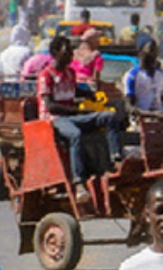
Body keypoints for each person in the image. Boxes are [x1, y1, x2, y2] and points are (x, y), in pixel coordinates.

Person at [40, 35, 125, 182]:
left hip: (72, 116)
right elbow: (50, 106)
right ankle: (78, 179)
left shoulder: (70, 73)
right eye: (66, 52)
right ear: (55, 52)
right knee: (75, 134)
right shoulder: (46, 75)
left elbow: (75, 90)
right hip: (54, 119)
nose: (71, 56)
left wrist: (91, 95)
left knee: (109, 116)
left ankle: (115, 157)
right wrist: (78, 111)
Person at [122, 40, 163, 114]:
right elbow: (128, 102)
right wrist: (134, 110)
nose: (151, 58)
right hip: (141, 117)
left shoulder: (162, 75)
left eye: (154, 54)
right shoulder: (132, 75)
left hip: (160, 115)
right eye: (148, 54)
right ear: (141, 54)